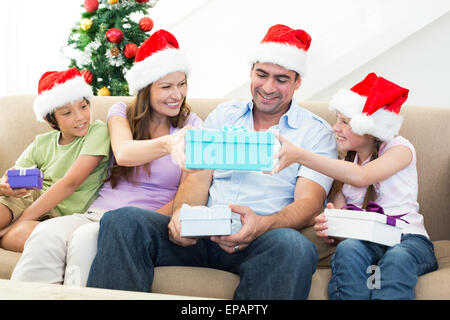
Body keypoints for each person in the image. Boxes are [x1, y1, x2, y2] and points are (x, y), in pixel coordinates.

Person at [86, 24, 338, 299]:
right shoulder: (224, 115)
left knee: (295, 247)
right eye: (261, 74)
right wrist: (182, 216)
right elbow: (196, 176)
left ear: (297, 81)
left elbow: (309, 202)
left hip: (261, 237)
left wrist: (263, 225)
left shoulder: (316, 132)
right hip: (202, 232)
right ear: (251, 72)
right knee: (122, 220)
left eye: (281, 79)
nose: (268, 87)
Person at [11, 29, 202, 286]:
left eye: (182, 84)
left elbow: (189, 191)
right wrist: (169, 144)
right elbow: (124, 153)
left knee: (85, 240)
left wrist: (142, 224)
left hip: (141, 222)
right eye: (166, 86)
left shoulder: (193, 126)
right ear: (145, 88)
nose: (177, 94)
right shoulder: (121, 112)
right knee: (46, 234)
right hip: (97, 212)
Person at [273, 73, 438, 299]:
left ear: (370, 128)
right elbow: (344, 223)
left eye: (345, 122)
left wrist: (301, 155)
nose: (335, 127)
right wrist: (333, 225)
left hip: (408, 240)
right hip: (367, 243)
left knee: (397, 258)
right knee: (348, 250)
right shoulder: (345, 165)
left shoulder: (399, 149)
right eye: (337, 120)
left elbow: (362, 176)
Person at [0, 68, 110, 252]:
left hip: (60, 214)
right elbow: (13, 173)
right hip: (30, 197)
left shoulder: (98, 131)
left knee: (15, 236)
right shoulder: (42, 142)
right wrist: (4, 184)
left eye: (83, 106)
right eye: (67, 113)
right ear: (50, 119)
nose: (80, 117)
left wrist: (19, 222)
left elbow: (70, 183)